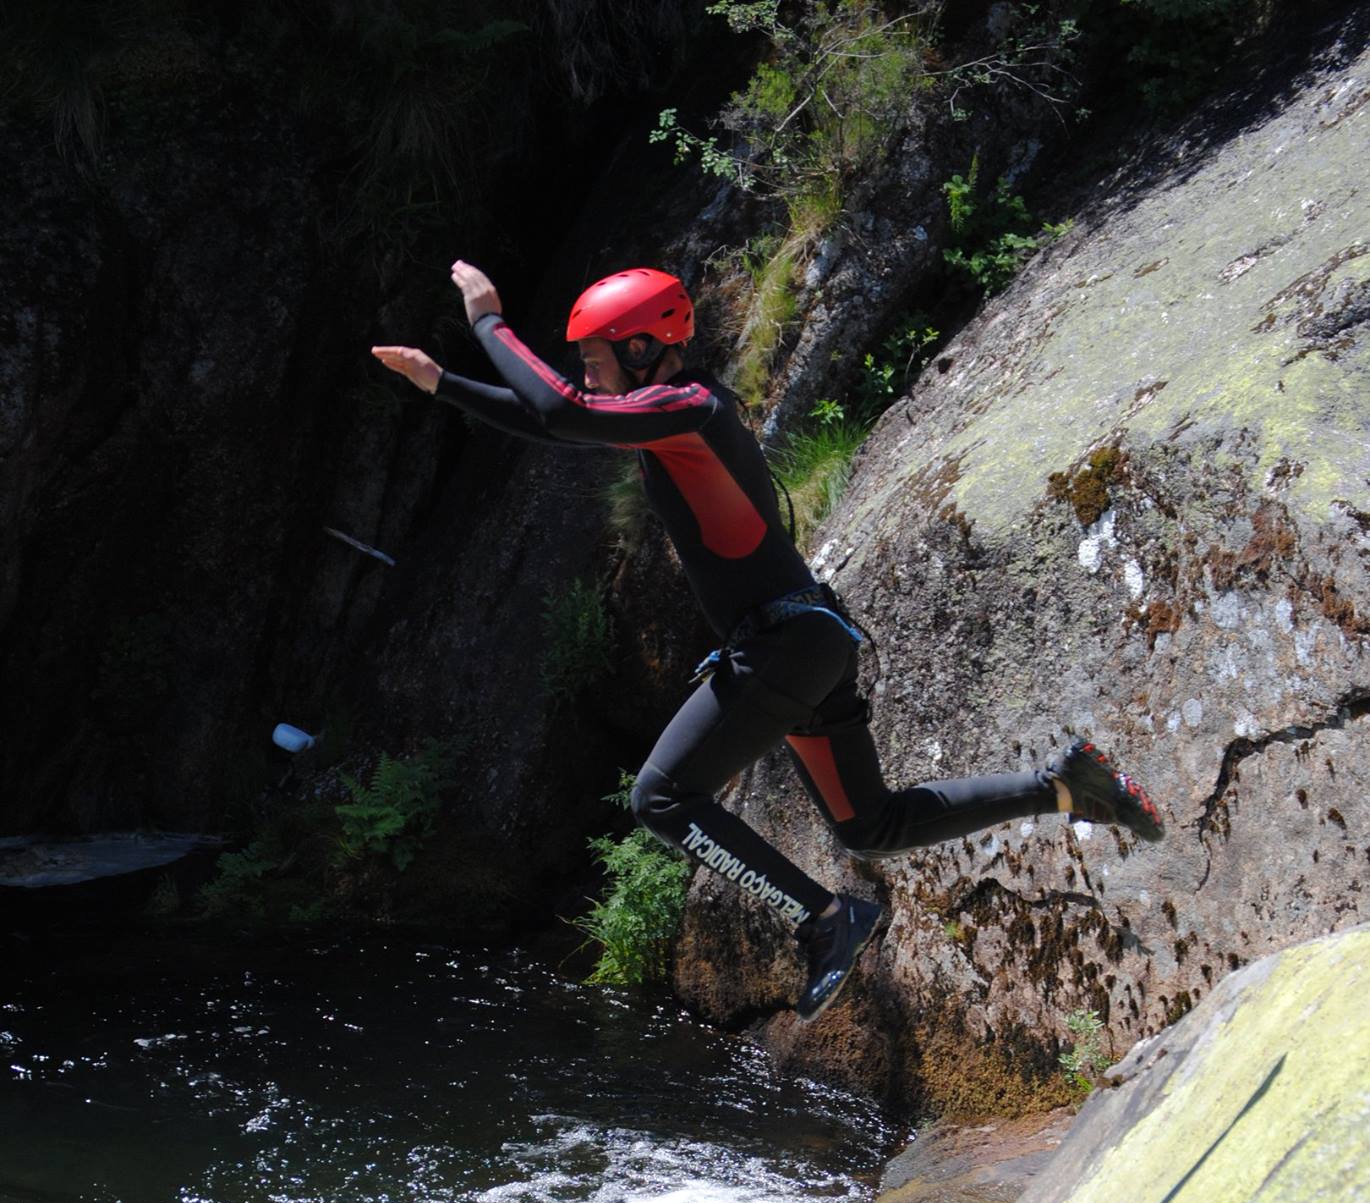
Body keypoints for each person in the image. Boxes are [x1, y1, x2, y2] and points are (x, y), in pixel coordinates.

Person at [372, 262, 1164, 1019]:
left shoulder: (689, 407)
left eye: (595, 357)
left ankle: (828, 919)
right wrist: (442, 384)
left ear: (642, 348)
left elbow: (559, 412)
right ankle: (1066, 787)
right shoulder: (670, 414)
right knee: (870, 826)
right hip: (807, 640)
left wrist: (489, 323)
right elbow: (559, 423)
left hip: (785, 646)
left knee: (661, 798)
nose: (586, 373)